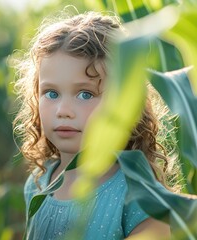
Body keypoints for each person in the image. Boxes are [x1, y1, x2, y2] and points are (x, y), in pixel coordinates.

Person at [12, 10, 176, 239]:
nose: (63, 111)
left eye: (85, 95)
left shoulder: (140, 197)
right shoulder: (38, 183)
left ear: (124, 101)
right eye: (51, 93)